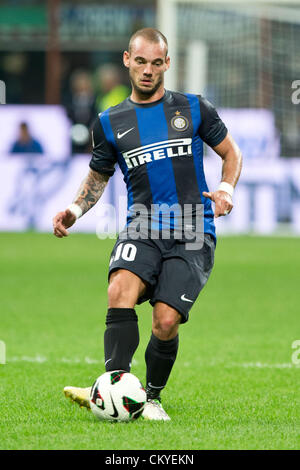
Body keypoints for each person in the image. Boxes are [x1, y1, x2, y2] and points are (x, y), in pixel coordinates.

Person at [53, 28, 242, 421]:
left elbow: (231, 153)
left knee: (166, 320)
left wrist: (226, 189)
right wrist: (74, 210)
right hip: (142, 226)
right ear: (127, 60)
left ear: (167, 64)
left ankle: (151, 396)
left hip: (192, 229)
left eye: (157, 63)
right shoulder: (109, 121)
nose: (148, 70)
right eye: (140, 61)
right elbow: (98, 176)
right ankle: (114, 387)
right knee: (119, 287)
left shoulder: (194, 108)